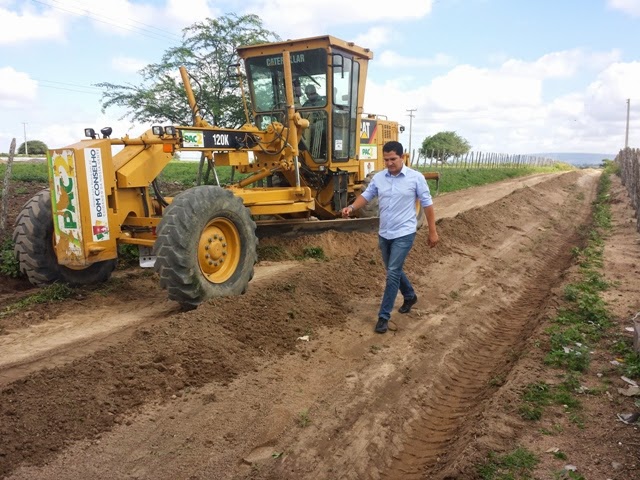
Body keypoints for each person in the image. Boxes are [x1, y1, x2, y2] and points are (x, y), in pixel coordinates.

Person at [341, 141, 439, 334]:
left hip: (405, 232)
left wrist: (432, 231)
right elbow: (367, 196)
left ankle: (383, 317)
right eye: (386, 159)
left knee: (392, 272)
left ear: (402, 157)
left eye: (393, 159)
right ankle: (410, 295)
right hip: (385, 232)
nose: (389, 163)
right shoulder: (379, 178)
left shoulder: (415, 178)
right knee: (392, 269)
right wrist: (352, 207)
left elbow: (427, 205)